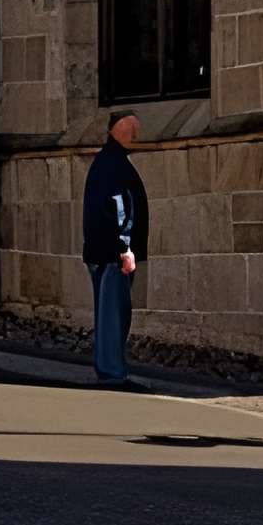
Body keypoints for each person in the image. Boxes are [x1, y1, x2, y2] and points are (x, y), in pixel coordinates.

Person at [81, 111, 151, 388]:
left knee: (108, 311)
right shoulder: (116, 165)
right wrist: (125, 249)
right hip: (114, 253)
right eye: (134, 131)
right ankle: (113, 372)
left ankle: (108, 368)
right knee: (114, 312)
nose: (137, 136)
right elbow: (121, 210)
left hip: (102, 250)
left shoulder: (106, 162)